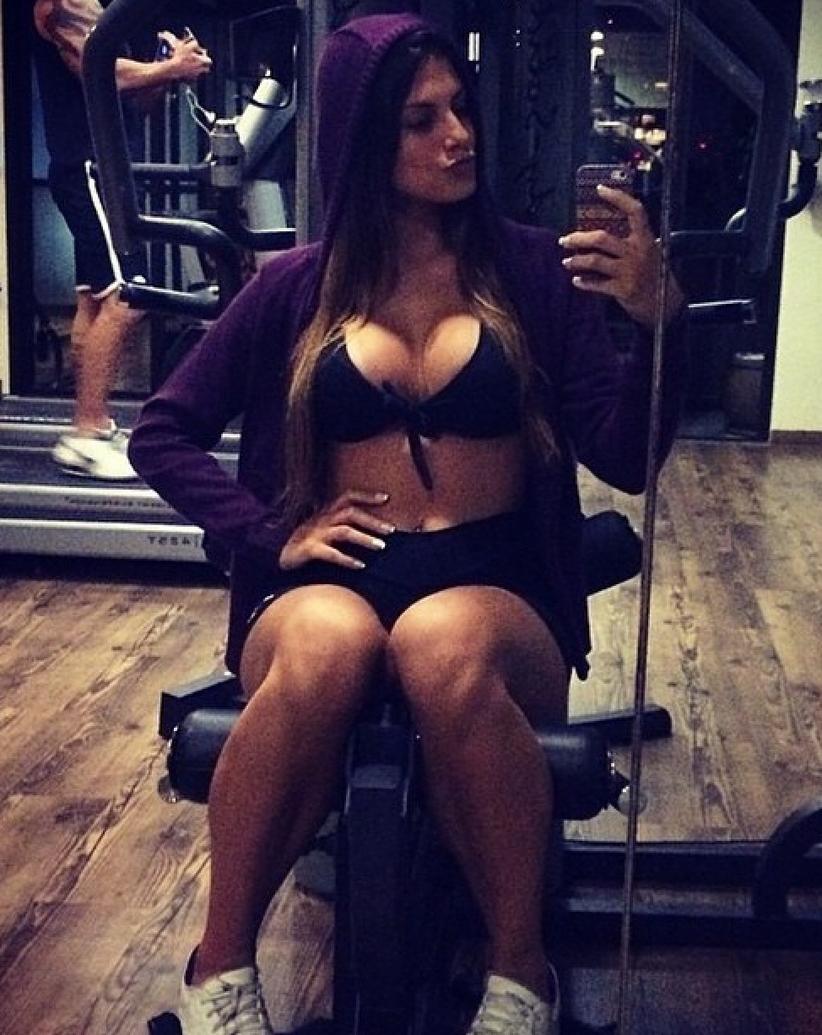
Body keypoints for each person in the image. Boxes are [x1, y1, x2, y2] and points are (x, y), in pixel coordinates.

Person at [129, 13, 687, 1035]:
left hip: (494, 584)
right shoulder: (294, 286)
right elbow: (161, 434)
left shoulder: (536, 275)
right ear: (362, 136)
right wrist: (267, 533)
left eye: (460, 110)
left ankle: (519, 980)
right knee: (326, 643)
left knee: (439, 640)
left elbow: (624, 455)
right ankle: (219, 972)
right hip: (331, 575)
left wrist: (657, 327)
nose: (457, 136)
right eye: (421, 120)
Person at [32, 0, 212, 480]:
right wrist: (169, 67)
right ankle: (87, 432)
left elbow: (135, 100)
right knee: (129, 297)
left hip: (103, 166)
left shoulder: (105, 11)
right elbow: (99, 73)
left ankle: (90, 425)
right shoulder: (64, 2)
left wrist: (168, 68)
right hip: (88, 167)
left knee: (94, 299)